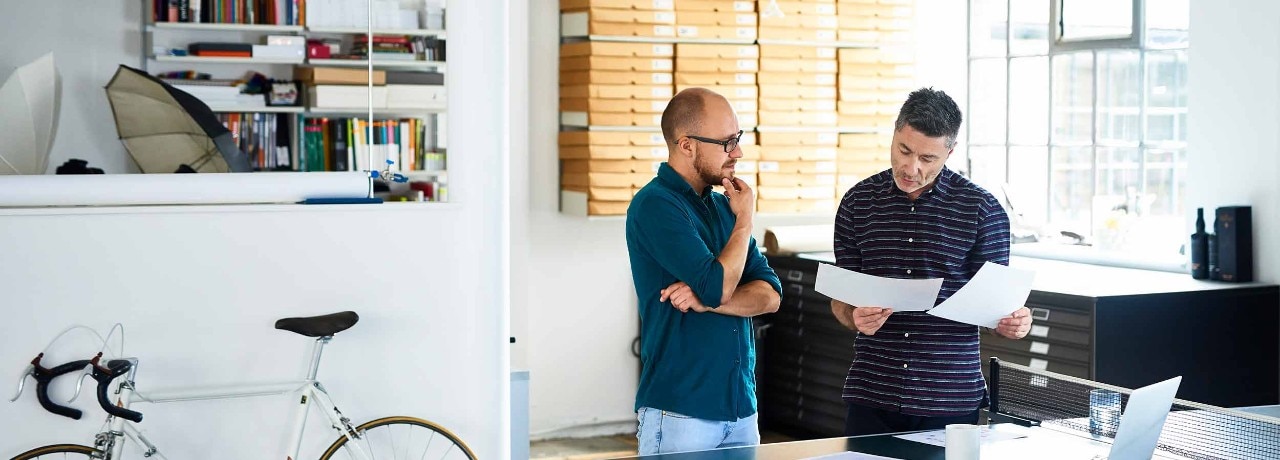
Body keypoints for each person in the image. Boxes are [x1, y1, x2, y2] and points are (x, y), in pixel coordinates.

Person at [830, 87, 1033, 436]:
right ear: (895, 133)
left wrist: (1012, 322)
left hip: (947, 397)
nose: (912, 168)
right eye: (904, 150)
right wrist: (853, 315)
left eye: (927, 158)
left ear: (950, 152)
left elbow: (995, 310)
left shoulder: (983, 211)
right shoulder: (857, 203)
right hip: (873, 392)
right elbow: (841, 297)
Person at [626, 87, 782, 454]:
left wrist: (706, 301)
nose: (738, 152)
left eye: (737, 139)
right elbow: (717, 286)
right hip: (681, 413)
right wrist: (745, 221)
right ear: (686, 145)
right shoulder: (655, 206)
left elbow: (770, 295)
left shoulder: (722, 207)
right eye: (727, 142)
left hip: (741, 410)